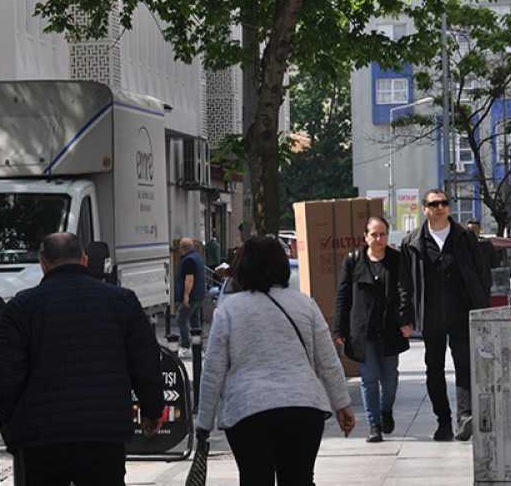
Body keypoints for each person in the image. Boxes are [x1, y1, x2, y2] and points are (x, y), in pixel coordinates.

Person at [0, 233, 164, 486]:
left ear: (43, 262)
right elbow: (145, 363)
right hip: (103, 433)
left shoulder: (21, 307)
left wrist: (10, 427)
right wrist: (152, 410)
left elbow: (5, 375)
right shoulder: (121, 301)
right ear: (84, 259)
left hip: (41, 436)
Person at [196, 236, 355, 484]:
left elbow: (212, 372)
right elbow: (328, 362)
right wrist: (342, 404)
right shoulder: (305, 304)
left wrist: (203, 424)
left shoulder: (229, 310)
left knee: (255, 477)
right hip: (303, 408)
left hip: (248, 411)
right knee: (299, 478)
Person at [399, 189, 491, 442]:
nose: (440, 207)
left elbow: (482, 273)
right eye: (434, 204)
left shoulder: (465, 237)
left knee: (464, 365)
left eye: (444, 203)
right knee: (434, 369)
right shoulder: (412, 242)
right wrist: (405, 317)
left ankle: (465, 417)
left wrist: (482, 303)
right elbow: (405, 283)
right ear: (424, 208)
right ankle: (443, 421)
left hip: (462, 313)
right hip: (431, 317)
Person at [334, 216, 411, 443]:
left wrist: (406, 320)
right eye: (374, 235)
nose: (379, 239)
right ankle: (374, 425)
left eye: (383, 234)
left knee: (389, 379)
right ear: (365, 237)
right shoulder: (353, 261)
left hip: (390, 329)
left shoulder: (397, 260)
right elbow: (343, 296)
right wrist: (339, 329)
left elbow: (405, 291)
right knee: (368, 379)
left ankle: (386, 410)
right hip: (362, 330)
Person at [175, 237, 206, 359]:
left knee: (181, 319)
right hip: (199, 295)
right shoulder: (197, 257)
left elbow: (189, 279)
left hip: (192, 296)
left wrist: (186, 296)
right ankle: (198, 347)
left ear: (183, 248)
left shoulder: (188, 260)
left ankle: (185, 346)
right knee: (194, 321)